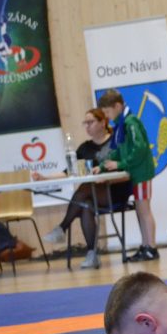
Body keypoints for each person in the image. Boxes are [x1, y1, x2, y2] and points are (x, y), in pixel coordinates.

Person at [39, 108, 133, 269]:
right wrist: (45, 178)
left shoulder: (116, 141)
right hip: (94, 193)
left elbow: (127, 168)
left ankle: (62, 228)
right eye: (85, 123)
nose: (87, 126)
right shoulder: (85, 148)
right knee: (85, 206)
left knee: (86, 188)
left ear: (103, 122)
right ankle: (92, 254)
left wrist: (107, 176)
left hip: (116, 189)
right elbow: (69, 171)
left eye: (91, 122)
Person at [97, 89, 159, 262]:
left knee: (144, 211)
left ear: (117, 106)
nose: (106, 116)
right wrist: (102, 166)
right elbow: (118, 151)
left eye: (107, 112)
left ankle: (151, 247)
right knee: (140, 211)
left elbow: (140, 148)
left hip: (141, 173)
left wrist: (121, 164)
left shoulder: (131, 122)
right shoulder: (121, 123)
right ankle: (146, 246)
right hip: (135, 173)